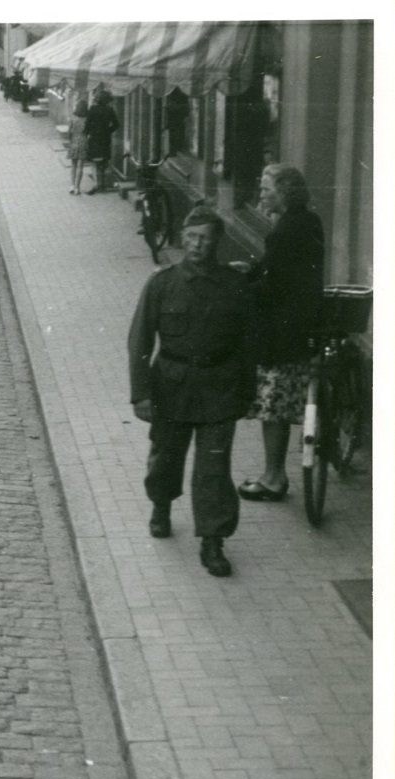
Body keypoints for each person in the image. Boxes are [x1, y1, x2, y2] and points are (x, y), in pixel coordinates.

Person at [127, 206, 256, 577]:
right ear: (183, 237)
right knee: (166, 457)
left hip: (220, 387)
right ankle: (161, 505)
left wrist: (248, 393)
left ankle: (213, 541)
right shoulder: (162, 283)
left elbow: (248, 344)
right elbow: (139, 340)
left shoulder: (234, 285)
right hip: (171, 385)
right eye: (193, 237)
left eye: (206, 239)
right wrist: (141, 393)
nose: (198, 245)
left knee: (214, 468)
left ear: (217, 243)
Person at [233, 165, 325, 502]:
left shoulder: (283, 231)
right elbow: (285, 271)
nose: (260, 194)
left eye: (266, 188)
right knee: (280, 403)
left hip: (280, 333)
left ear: (284, 192)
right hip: (302, 325)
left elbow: (274, 287)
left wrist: (241, 288)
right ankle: (275, 473)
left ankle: (273, 478)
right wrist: (255, 269)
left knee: (273, 406)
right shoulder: (308, 221)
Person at [84, 91, 120, 194]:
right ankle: (103, 185)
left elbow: (87, 124)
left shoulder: (92, 109)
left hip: (94, 139)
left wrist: (88, 132)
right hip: (105, 139)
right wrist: (108, 131)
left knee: (94, 163)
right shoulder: (109, 110)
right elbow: (116, 124)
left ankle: (96, 185)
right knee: (104, 162)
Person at [67, 99, 89, 195]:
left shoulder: (72, 118)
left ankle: (72, 186)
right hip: (84, 142)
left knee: (73, 165)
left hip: (74, 142)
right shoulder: (87, 119)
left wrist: (70, 140)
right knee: (80, 166)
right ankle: (77, 187)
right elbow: (88, 131)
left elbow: (69, 132)